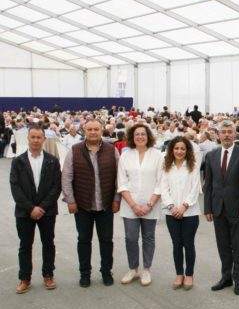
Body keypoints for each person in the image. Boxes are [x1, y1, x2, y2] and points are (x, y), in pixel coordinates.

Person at [61, 119, 120, 288]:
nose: (93, 132)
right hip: (83, 205)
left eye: (96, 129)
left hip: (106, 205)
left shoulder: (112, 150)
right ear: (84, 131)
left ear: (102, 130)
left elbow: (119, 178)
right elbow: (66, 177)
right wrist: (70, 200)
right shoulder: (74, 150)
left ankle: (106, 272)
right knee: (84, 240)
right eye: (90, 129)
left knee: (106, 240)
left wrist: (116, 199)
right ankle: (84, 273)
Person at [10, 125, 61, 294]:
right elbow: (15, 187)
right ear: (28, 138)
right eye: (33, 137)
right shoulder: (18, 161)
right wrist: (31, 208)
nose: (36, 140)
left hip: (47, 211)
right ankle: (25, 278)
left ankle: (48, 275)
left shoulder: (52, 161)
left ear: (44, 139)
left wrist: (42, 207)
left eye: (39, 137)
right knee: (25, 245)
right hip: (25, 212)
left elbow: (56, 187)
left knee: (48, 244)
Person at [204, 120, 239, 295]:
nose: (226, 135)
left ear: (234, 134)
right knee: (222, 245)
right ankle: (226, 277)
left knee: (237, 247)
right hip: (217, 209)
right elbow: (208, 184)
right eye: (223, 131)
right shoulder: (211, 156)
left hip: (237, 209)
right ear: (218, 134)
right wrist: (208, 208)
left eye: (229, 132)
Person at [117, 124, 163, 287]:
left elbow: (161, 182)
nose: (140, 137)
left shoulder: (158, 156)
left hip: (151, 204)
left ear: (148, 136)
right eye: (137, 134)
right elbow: (122, 183)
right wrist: (134, 205)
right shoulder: (125, 156)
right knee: (130, 238)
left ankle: (147, 270)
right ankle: (133, 269)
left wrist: (149, 205)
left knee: (148, 238)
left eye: (143, 134)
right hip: (130, 205)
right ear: (132, 137)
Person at [161, 136, 201, 291]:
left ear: (187, 151)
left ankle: (189, 274)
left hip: (190, 213)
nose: (179, 151)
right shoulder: (167, 166)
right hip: (172, 213)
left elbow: (195, 188)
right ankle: (179, 274)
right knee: (176, 244)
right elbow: (164, 189)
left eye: (182, 148)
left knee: (188, 243)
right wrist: (172, 207)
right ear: (172, 149)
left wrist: (184, 206)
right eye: (176, 148)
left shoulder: (193, 166)